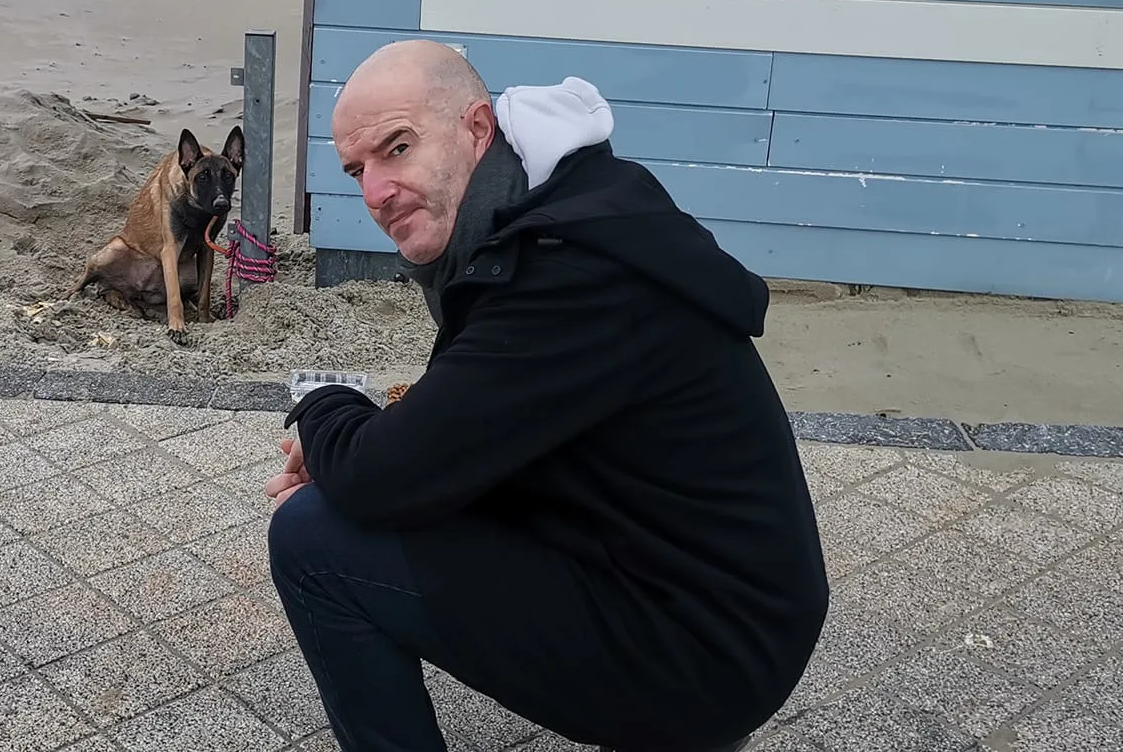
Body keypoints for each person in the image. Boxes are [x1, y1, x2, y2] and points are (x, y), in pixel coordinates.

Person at [264, 40, 830, 752]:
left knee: (315, 537)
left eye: (397, 148)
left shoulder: (565, 273)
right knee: (373, 484)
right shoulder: (570, 211)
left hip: (705, 654)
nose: (375, 192)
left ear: (477, 129)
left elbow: (383, 479)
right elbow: (467, 429)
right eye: (357, 171)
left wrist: (324, 411)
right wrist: (361, 454)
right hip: (707, 595)